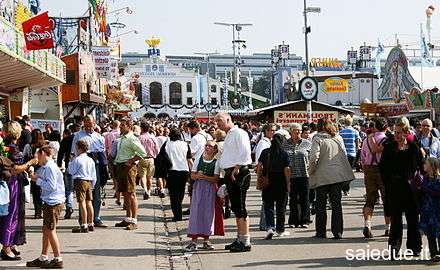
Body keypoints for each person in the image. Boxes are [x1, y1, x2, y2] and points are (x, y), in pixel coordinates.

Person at [379, 116, 423, 257]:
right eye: (395, 132)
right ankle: (394, 249)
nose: (396, 135)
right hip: (394, 189)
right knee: (396, 221)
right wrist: (388, 183)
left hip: (411, 190)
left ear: (405, 132)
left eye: (399, 132)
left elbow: (421, 167)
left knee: (412, 221)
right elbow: (383, 167)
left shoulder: (414, 147)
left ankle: (414, 247)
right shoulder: (389, 147)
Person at [309, 118, 355, 239]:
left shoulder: (317, 138)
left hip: (322, 175)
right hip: (337, 175)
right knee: (336, 204)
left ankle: (321, 232)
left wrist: (311, 170)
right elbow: (343, 154)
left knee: (321, 204)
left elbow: (314, 157)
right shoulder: (338, 138)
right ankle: (338, 231)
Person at [0, 122, 38, 261]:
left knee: (14, 214)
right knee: (12, 214)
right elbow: (15, 168)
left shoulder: (7, 146)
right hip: (13, 184)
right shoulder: (11, 148)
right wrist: (30, 163)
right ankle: (6, 247)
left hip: (12, 183)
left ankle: (11, 243)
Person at [215, 113, 252, 252]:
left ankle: (245, 240)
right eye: (216, 121)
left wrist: (237, 167)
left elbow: (245, 152)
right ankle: (240, 238)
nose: (218, 123)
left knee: (240, 207)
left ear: (228, 119)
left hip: (238, 172)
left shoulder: (239, 133)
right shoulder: (229, 134)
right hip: (231, 172)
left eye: (220, 120)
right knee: (236, 208)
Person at [26, 146, 65, 268]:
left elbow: (51, 186)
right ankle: (43, 256)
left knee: (50, 230)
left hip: (53, 202)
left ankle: (58, 258)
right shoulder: (47, 166)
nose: (37, 158)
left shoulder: (49, 167)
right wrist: (35, 177)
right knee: (46, 230)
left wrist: (37, 181)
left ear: (43, 153)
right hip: (51, 201)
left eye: (38, 155)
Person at [185, 141, 224, 252]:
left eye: (210, 146)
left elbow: (216, 179)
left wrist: (204, 177)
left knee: (208, 213)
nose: (207, 147)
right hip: (198, 188)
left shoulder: (216, 162)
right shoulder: (199, 159)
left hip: (210, 189)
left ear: (215, 150)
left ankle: (206, 240)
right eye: (206, 145)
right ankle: (193, 241)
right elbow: (192, 175)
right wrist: (197, 176)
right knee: (196, 212)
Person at [71, 115, 108, 228]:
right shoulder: (78, 136)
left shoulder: (99, 137)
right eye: (86, 122)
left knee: (96, 193)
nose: (88, 125)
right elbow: (73, 152)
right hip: (82, 164)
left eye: (90, 122)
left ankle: (96, 218)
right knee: (83, 196)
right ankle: (83, 220)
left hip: (95, 164)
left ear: (94, 123)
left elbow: (103, 152)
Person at [114, 118, 147, 230]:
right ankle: (128, 218)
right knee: (125, 193)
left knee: (131, 194)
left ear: (129, 126)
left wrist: (131, 160)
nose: (121, 127)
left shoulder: (132, 138)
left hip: (128, 168)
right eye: (121, 125)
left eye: (123, 125)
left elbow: (143, 153)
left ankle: (134, 220)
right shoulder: (123, 138)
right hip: (121, 166)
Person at [360, 117, 390, 238]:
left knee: (370, 199)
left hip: (368, 169)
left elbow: (362, 156)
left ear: (375, 127)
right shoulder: (386, 140)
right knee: (386, 199)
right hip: (383, 170)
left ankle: (367, 225)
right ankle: (388, 228)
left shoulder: (366, 140)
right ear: (386, 128)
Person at [257, 134, 291, 240]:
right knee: (281, 207)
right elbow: (287, 170)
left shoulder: (265, 152)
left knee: (268, 206)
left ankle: (270, 227)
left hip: (268, 182)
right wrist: (288, 184)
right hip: (281, 181)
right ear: (282, 142)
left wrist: (260, 178)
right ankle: (280, 230)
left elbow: (259, 166)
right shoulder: (284, 154)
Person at [283, 123, 312, 228]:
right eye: (296, 130)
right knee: (293, 198)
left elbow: (312, 159)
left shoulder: (307, 143)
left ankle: (305, 220)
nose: (298, 132)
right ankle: (293, 220)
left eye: (300, 130)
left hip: (305, 175)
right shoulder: (285, 144)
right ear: (291, 131)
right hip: (291, 176)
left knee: (305, 198)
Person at [164, 128, 192, 221]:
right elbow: (189, 159)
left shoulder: (167, 144)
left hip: (172, 171)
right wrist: (192, 171)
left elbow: (162, 158)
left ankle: (177, 214)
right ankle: (179, 210)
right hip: (184, 170)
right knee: (181, 192)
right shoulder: (185, 145)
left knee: (173, 194)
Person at [69, 140, 96, 233]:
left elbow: (71, 171)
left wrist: (70, 161)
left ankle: (84, 224)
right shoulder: (90, 159)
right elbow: (94, 173)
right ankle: (91, 223)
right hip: (89, 180)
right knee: (89, 202)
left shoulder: (77, 159)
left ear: (79, 148)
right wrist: (93, 184)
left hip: (80, 180)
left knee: (82, 202)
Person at [254, 124, 276, 231]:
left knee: (268, 200)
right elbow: (260, 161)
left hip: (270, 174)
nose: (273, 132)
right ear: (266, 131)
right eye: (271, 130)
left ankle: (266, 223)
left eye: (274, 130)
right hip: (265, 174)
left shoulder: (269, 142)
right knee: (266, 201)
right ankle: (264, 223)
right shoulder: (263, 143)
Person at [418, 157, 440, 263]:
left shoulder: (438, 179)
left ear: (431, 166)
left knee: (439, 233)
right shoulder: (425, 178)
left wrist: (424, 187)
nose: (424, 165)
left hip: (438, 210)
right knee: (430, 233)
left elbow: (436, 192)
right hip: (427, 210)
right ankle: (434, 254)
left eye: (425, 164)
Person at [24, 129, 47, 219]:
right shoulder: (43, 146)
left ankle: (38, 211)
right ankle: (39, 211)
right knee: (39, 191)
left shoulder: (30, 146)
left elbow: (24, 157)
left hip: (34, 170)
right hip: (39, 171)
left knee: (36, 192)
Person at [339, 116, 360, 195]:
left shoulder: (341, 132)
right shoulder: (355, 132)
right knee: (350, 172)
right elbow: (357, 143)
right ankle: (346, 189)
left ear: (344, 122)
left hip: (343, 154)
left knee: (343, 172)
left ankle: (343, 187)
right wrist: (357, 152)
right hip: (352, 154)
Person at [138, 121, 159, 200]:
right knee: (149, 177)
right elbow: (157, 149)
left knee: (143, 176)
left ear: (142, 128)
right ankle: (149, 191)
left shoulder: (140, 138)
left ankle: (145, 190)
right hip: (150, 158)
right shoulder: (152, 137)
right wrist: (155, 156)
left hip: (142, 158)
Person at [57, 129, 74, 219]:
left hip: (69, 166)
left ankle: (69, 207)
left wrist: (59, 164)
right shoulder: (80, 138)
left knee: (69, 189)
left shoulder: (66, 139)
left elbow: (60, 153)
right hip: (81, 168)